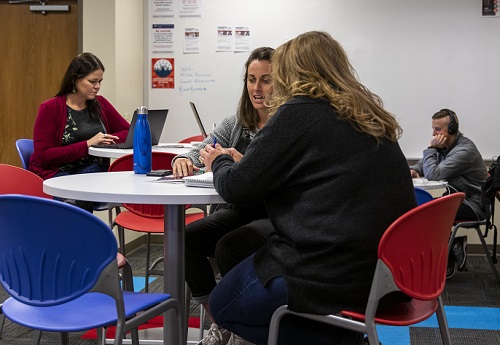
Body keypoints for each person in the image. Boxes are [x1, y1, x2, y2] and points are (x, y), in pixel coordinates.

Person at [199, 31, 416, 345]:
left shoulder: (298, 112)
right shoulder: (369, 115)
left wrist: (219, 160)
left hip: (327, 275)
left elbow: (236, 186)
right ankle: (345, 334)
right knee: (239, 251)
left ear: (291, 72)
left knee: (224, 306)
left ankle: (338, 336)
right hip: (388, 276)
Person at [171, 47, 275, 345]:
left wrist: (240, 161)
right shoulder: (237, 122)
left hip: (272, 214)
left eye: (266, 80)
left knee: (230, 246)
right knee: (187, 237)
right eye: (251, 79)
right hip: (238, 209)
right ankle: (220, 321)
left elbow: (275, 176)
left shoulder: (284, 124)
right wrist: (184, 159)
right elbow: (199, 149)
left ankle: (244, 328)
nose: (257, 88)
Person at [29, 52, 130, 212]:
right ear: (75, 79)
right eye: (92, 81)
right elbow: (43, 157)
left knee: (90, 182)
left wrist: (105, 140)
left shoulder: (101, 104)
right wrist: (88, 145)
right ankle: (74, 217)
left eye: (100, 81)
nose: (97, 86)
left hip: (92, 170)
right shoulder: (50, 108)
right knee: (81, 195)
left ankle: (73, 216)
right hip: (59, 173)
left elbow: (128, 131)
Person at [409, 108, 488, 279]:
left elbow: (433, 174)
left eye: (437, 129)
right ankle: (454, 246)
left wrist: (431, 147)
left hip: (473, 206)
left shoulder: (465, 151)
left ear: (451, 129)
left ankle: (450, 255)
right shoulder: (444, 147)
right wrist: (414, 171)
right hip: (456, 200)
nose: (434, 133)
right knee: (423, 209)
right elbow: (423, 166)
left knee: (429, 214)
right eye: (433, 129)